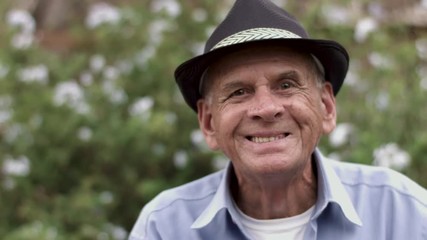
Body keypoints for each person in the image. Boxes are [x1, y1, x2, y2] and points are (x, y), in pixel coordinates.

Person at [129, 0, 427, 239]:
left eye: (286, 85)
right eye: (239, 92)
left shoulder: (403, 213)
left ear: (326, 107)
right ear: (208, 124)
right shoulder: (164, 227)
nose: (266, 108)